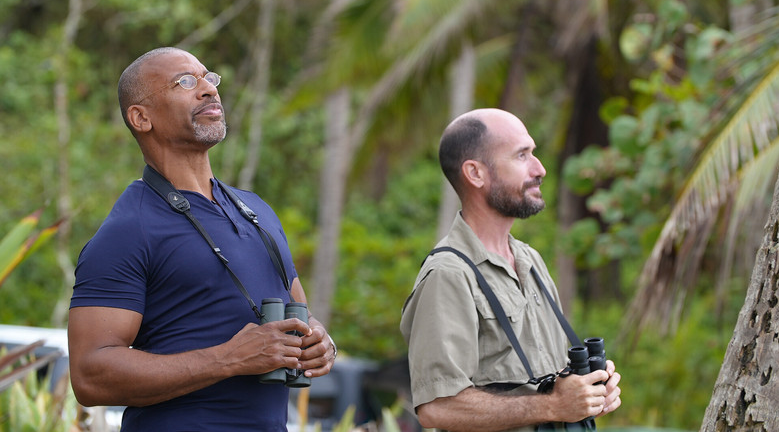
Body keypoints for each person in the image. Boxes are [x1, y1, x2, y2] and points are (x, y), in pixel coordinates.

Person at [68, 47, 336, 432]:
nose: (209, 89)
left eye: (210, 78)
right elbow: (90, 375)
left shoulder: (257, 211)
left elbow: (300, 315)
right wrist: (229, 359)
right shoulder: (129, 229)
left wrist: (321, 344)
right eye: (186, 82)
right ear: (141, 118)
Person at [400, 108, 622, 431]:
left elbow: (553, 387)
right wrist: (553, 405)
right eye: (522, 156)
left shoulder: (530, 260)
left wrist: (586, 394)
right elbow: (438, 407)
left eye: (534, 153)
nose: (540, 168)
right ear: (475, 173)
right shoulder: (449, 274)